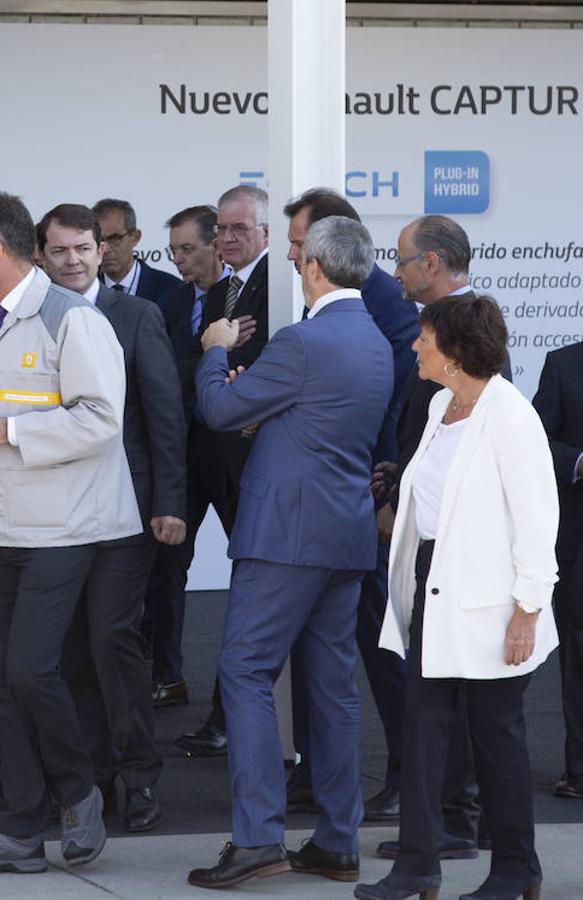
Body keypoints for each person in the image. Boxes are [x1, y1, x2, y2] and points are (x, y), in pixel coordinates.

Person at [0, 191, 135, 875]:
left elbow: (102, 418)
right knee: (7, 683)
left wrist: (9, 430)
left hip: (62, 529)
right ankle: (18, 828)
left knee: (29, 669)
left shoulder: (71, 321)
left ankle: (77, 794)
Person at [185, 216, 391, 890]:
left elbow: (217, 411)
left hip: (284, 536)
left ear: (311, 269)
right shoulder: (373, 340)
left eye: (298, 256)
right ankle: (336, 840)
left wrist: (214, 350)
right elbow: (305, 416)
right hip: (342, 534)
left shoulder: (303, 340)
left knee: (244, 672)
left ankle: (256, 840)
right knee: (331, 688)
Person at [358, 296, 558, 900]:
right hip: (434, 589)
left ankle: (517, 870)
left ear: (454, 350)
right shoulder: (442, 403)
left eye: (424, 339)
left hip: (493, 603)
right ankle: (418, 866)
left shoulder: (510, 416)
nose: (415, 347)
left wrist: (527, 611)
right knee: (423, 732)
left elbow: (536, 522)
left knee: (497, 736)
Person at [38, 203, 183, 834]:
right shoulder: (33, 318)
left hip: (127, 510)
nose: (71, 261)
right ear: (42, 255)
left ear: (103, 252)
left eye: (82, 249)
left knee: (111, 638)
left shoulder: (138, 315)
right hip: (59, 511)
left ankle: (140, 776)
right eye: (59, 251)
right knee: (71, 648)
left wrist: (170, 502)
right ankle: (92, 779)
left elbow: (165, 415)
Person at [280, 188, 419, 821]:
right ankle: (317, 771)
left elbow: (387, 404)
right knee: (327, 639)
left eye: (299, 244)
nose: (291, 254)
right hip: (349, 493)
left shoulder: (381, 305)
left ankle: (408, 777)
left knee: (380, 644)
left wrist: (384, 492)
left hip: (366, 496)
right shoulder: (341, 303)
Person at [374, 214, 500, 862]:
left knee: (448, 690)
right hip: (424, 533)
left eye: (400, 260)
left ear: (431, 263)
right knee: (432, 685)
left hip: (449, 547)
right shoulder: (438, 327)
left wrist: (401, 501)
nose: (392, 273)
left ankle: (456, 823)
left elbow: (463, 444)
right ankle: (448, 822)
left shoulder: (465, 330)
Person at [176, 185, 270, 759]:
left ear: (263, 232)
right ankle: (220, 714)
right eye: (223, 230)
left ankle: (230, 719)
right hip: (208, 456)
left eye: (239, 229)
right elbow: (208, 364)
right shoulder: (221, 291)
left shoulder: (275, 286)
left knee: (252, 597)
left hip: (256, 464)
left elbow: (254, 371)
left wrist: (223, 358)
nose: (228, 238)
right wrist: (217, 352)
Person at [146, 204, 230, 711]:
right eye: (173, 249)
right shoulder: (170, 301)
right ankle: (167, 674)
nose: (177, 258)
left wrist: (191, 363)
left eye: (187, 248)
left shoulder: (244, 298)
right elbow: (163, 376)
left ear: (216, 244)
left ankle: (232, 696)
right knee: (166, 564)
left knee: (247, 567)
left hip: (230, 454)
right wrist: (206, 355)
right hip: (180, 453)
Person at [534, 342, 583, 801]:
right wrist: (579, 462)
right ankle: (580, 769)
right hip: (577, 536)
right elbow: (537, 440)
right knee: (578, 653)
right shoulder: (563, 364)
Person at [93, 198, 182, 309]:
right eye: (99, 240)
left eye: (115, 238)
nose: (105, 249)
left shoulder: (172, 290)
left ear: (135, 237)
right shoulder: (84, 289)